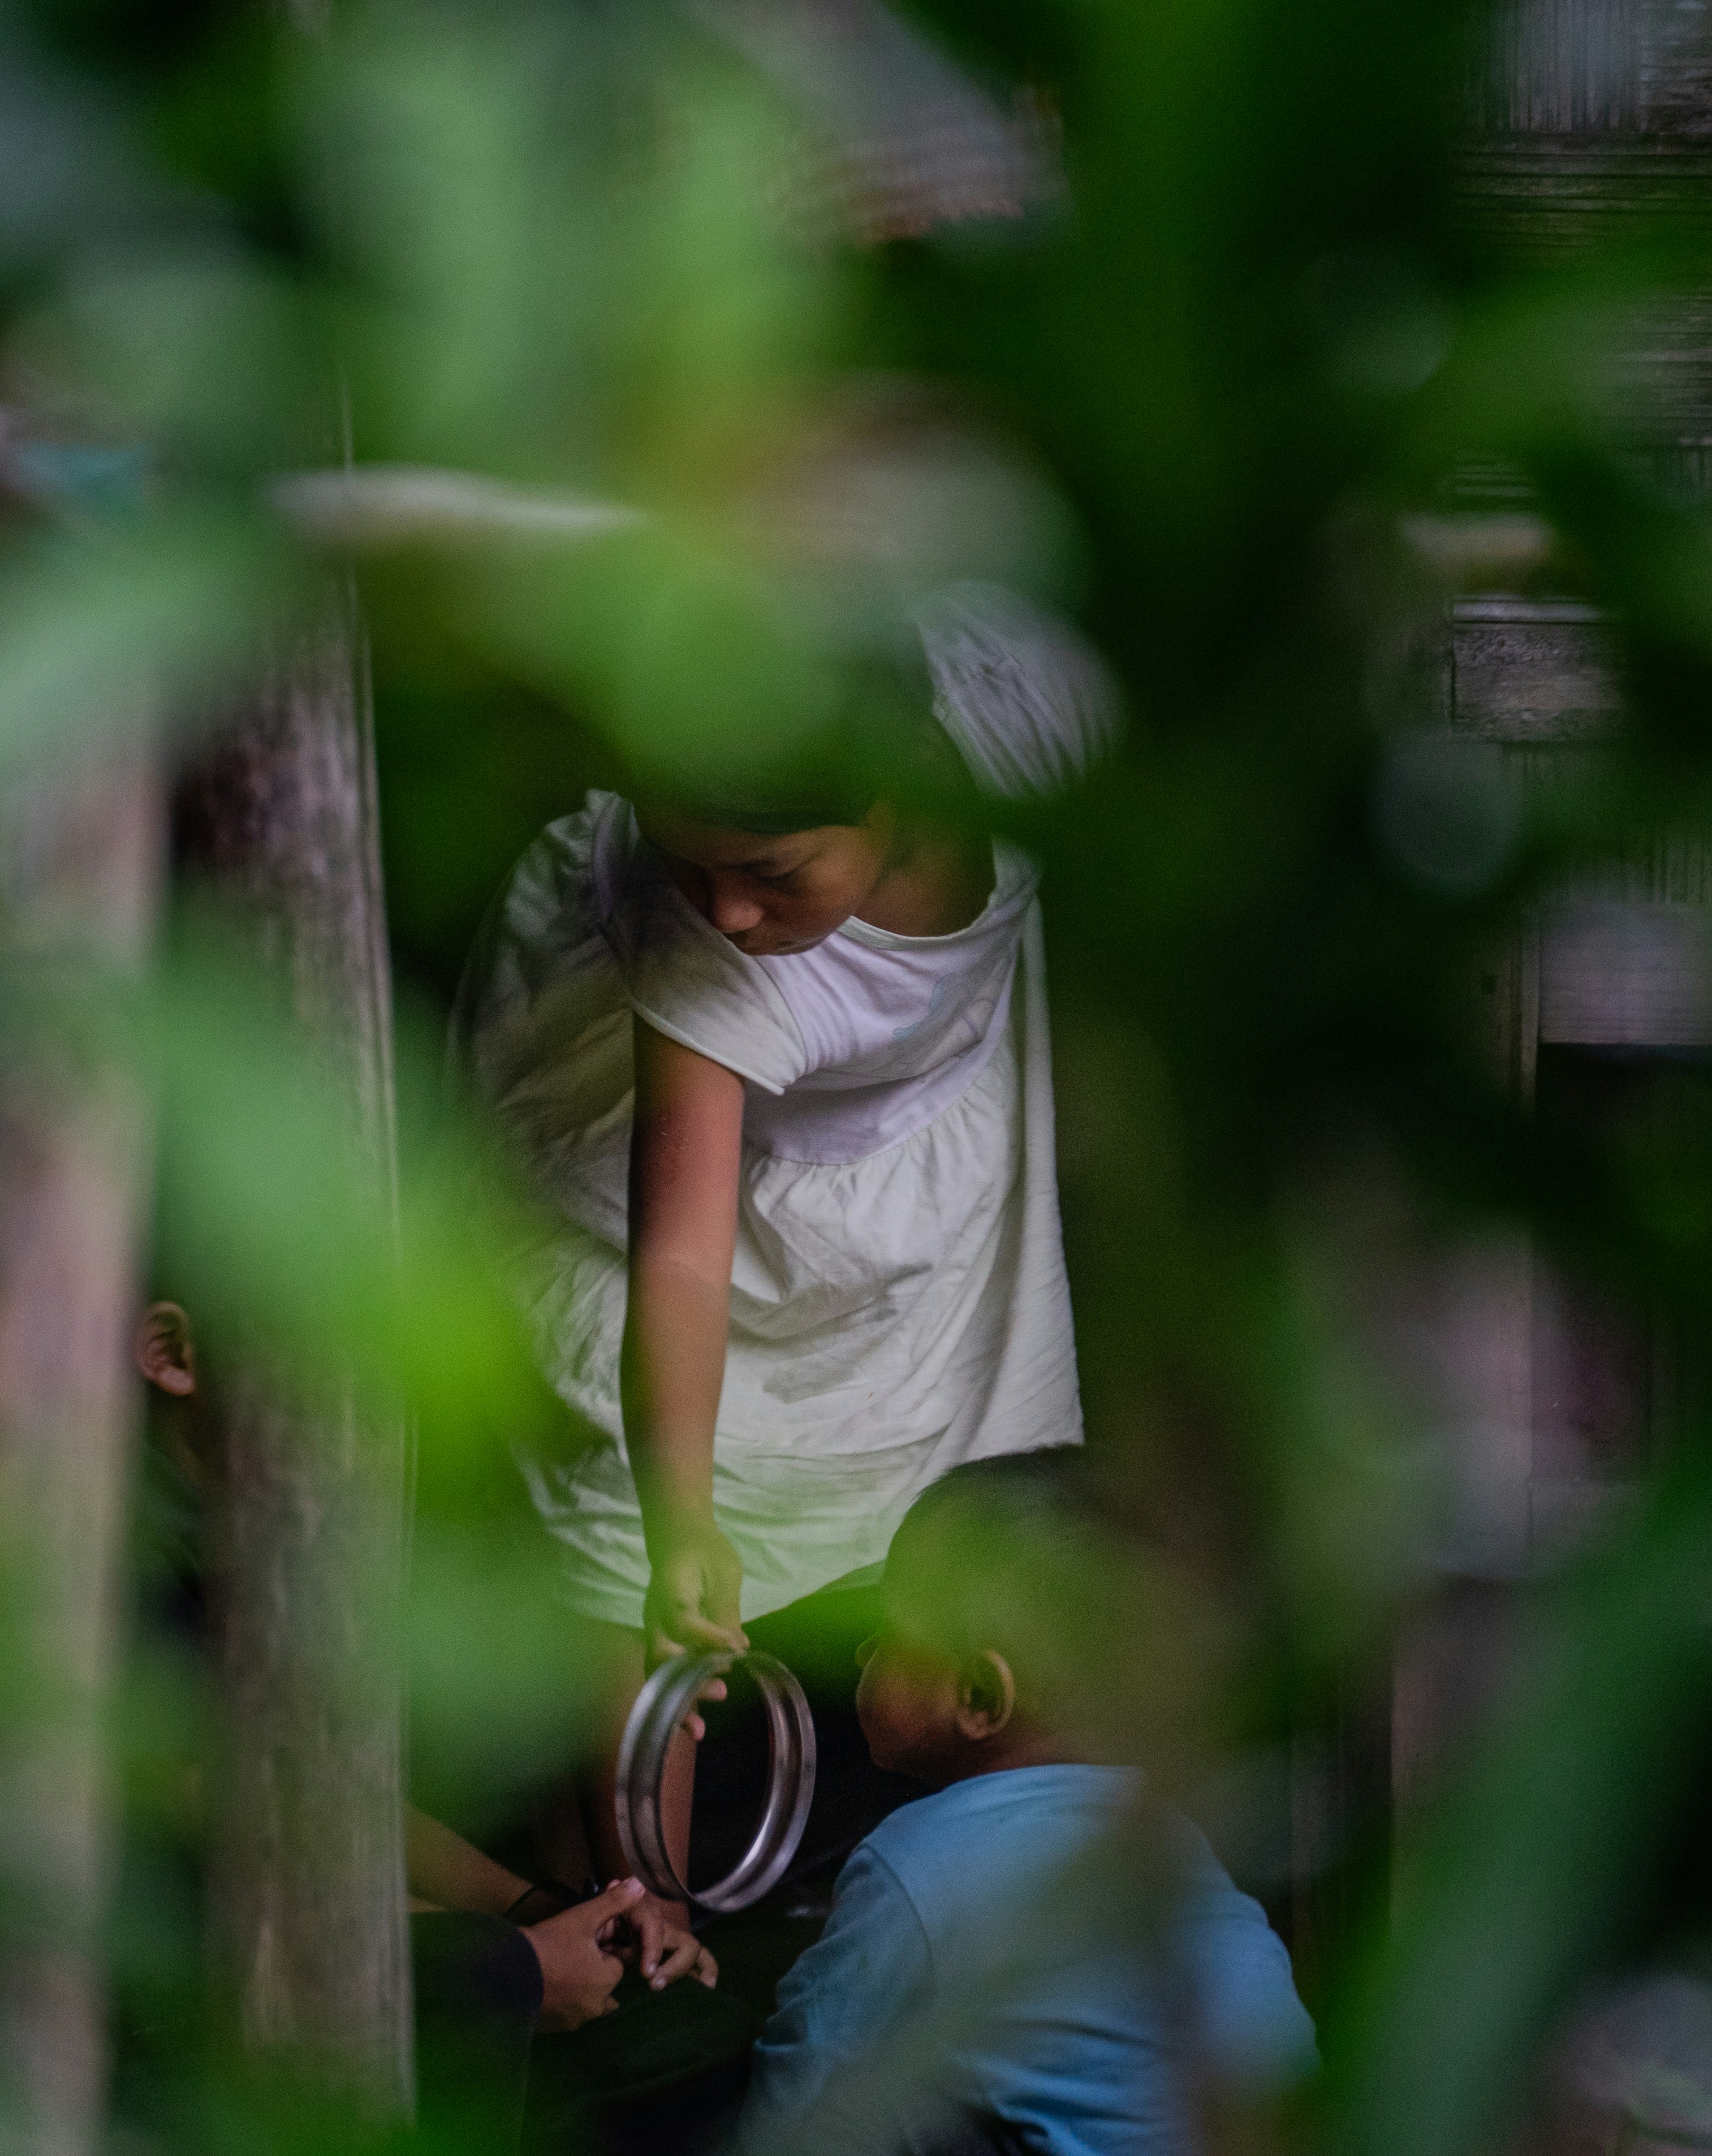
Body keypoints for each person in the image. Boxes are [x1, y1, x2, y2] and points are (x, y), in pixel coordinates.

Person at [458, 591, 1107, 1956]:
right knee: (627, 1499)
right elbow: (679, 1250)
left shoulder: (1019, 724)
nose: (734, 910)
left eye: (771, 872)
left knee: (934, 1423)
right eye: (700, 870)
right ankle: (643, 1904)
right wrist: (684, 1518)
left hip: (902, 1126)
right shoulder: (698, 934)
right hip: (652, 1145)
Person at [130, 1299, 710, 2149]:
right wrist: (518, 1962)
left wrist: (542, 1905)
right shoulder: (84, 1552)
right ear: (172, 1350)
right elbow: (208, 1828)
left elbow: (317, 1791)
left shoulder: (263, 1533)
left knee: (678, 2031)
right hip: (158, 2001)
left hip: (282, 1925)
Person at [730, 1454, 1316, 2156]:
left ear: (979, 1694)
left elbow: (798, 2094)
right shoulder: (1166, 1835)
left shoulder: (916, 1860)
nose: (862, 1650)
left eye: (887, 1627)